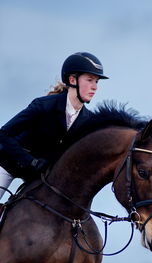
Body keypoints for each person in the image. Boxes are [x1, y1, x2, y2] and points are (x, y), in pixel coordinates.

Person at [0, 52, 108, 200]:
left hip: (40, 175)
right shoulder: (44, 106)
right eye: (90, 80)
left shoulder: (87, 120)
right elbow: (3, 134)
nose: (95, 87)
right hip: (9, 163)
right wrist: (31, 161)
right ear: (72, 80)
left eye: (97, 82)